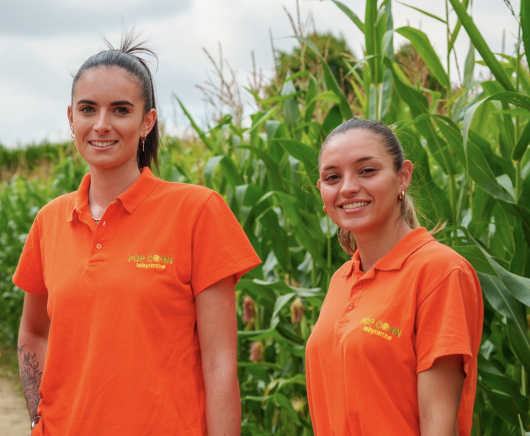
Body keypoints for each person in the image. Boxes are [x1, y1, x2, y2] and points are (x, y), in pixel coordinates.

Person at [14, 34, 261, 436]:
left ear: (147, 121)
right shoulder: (49, 220)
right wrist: (39, 415)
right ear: (71, 119)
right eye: (88, 109)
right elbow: (34, 330)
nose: (102, 125)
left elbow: (220, 365)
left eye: (121, 110)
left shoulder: (198, 211)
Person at [306, 118, 483, 436]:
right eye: (332, 177)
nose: (347, 187)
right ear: (322, 191)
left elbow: (438, 425)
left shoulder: (439, 272)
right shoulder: (342, 279)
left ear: (404, 176)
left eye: (367, 170)